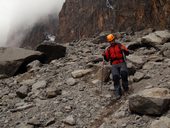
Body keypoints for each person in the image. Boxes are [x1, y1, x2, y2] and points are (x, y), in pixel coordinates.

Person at [102, 34, 129, 99]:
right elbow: (107, 59)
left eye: (112, 40)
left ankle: (125, 87)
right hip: (114, 64)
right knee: (115, 77)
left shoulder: (120, 45)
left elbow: (127, 53)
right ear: (109, 42)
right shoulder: (108, 49)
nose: (112, 42)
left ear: (114, 39)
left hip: (122, 62)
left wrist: (124, 50)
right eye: (110, 41)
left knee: (124, 73)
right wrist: (104, 55)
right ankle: (117, 92)